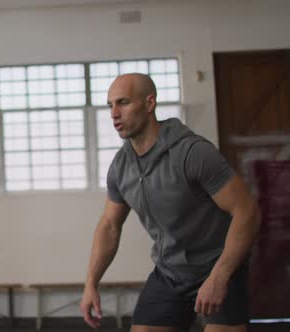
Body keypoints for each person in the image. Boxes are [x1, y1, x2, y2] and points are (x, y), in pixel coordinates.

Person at [79, 73, 260, 332]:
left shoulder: (192, 152)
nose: (114, 114)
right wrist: (90, 284)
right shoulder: (121, 166)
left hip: (219, 266)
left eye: (123, 103)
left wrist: (220, 276)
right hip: (170, 273)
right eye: (110, 105)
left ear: (149, 103)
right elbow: (109, 225)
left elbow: (247, 212)